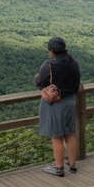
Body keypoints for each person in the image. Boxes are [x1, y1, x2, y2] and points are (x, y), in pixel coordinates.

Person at [34, 37, 81, 176]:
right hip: (70, 100)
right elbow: (77, 80)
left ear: (52, 51)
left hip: (56, 102)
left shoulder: (49, 64)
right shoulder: (72, 61)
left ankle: (59, 168)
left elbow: (39, 81)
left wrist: (37, 76)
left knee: (56, 136)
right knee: (70, 133)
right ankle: (72, 166)